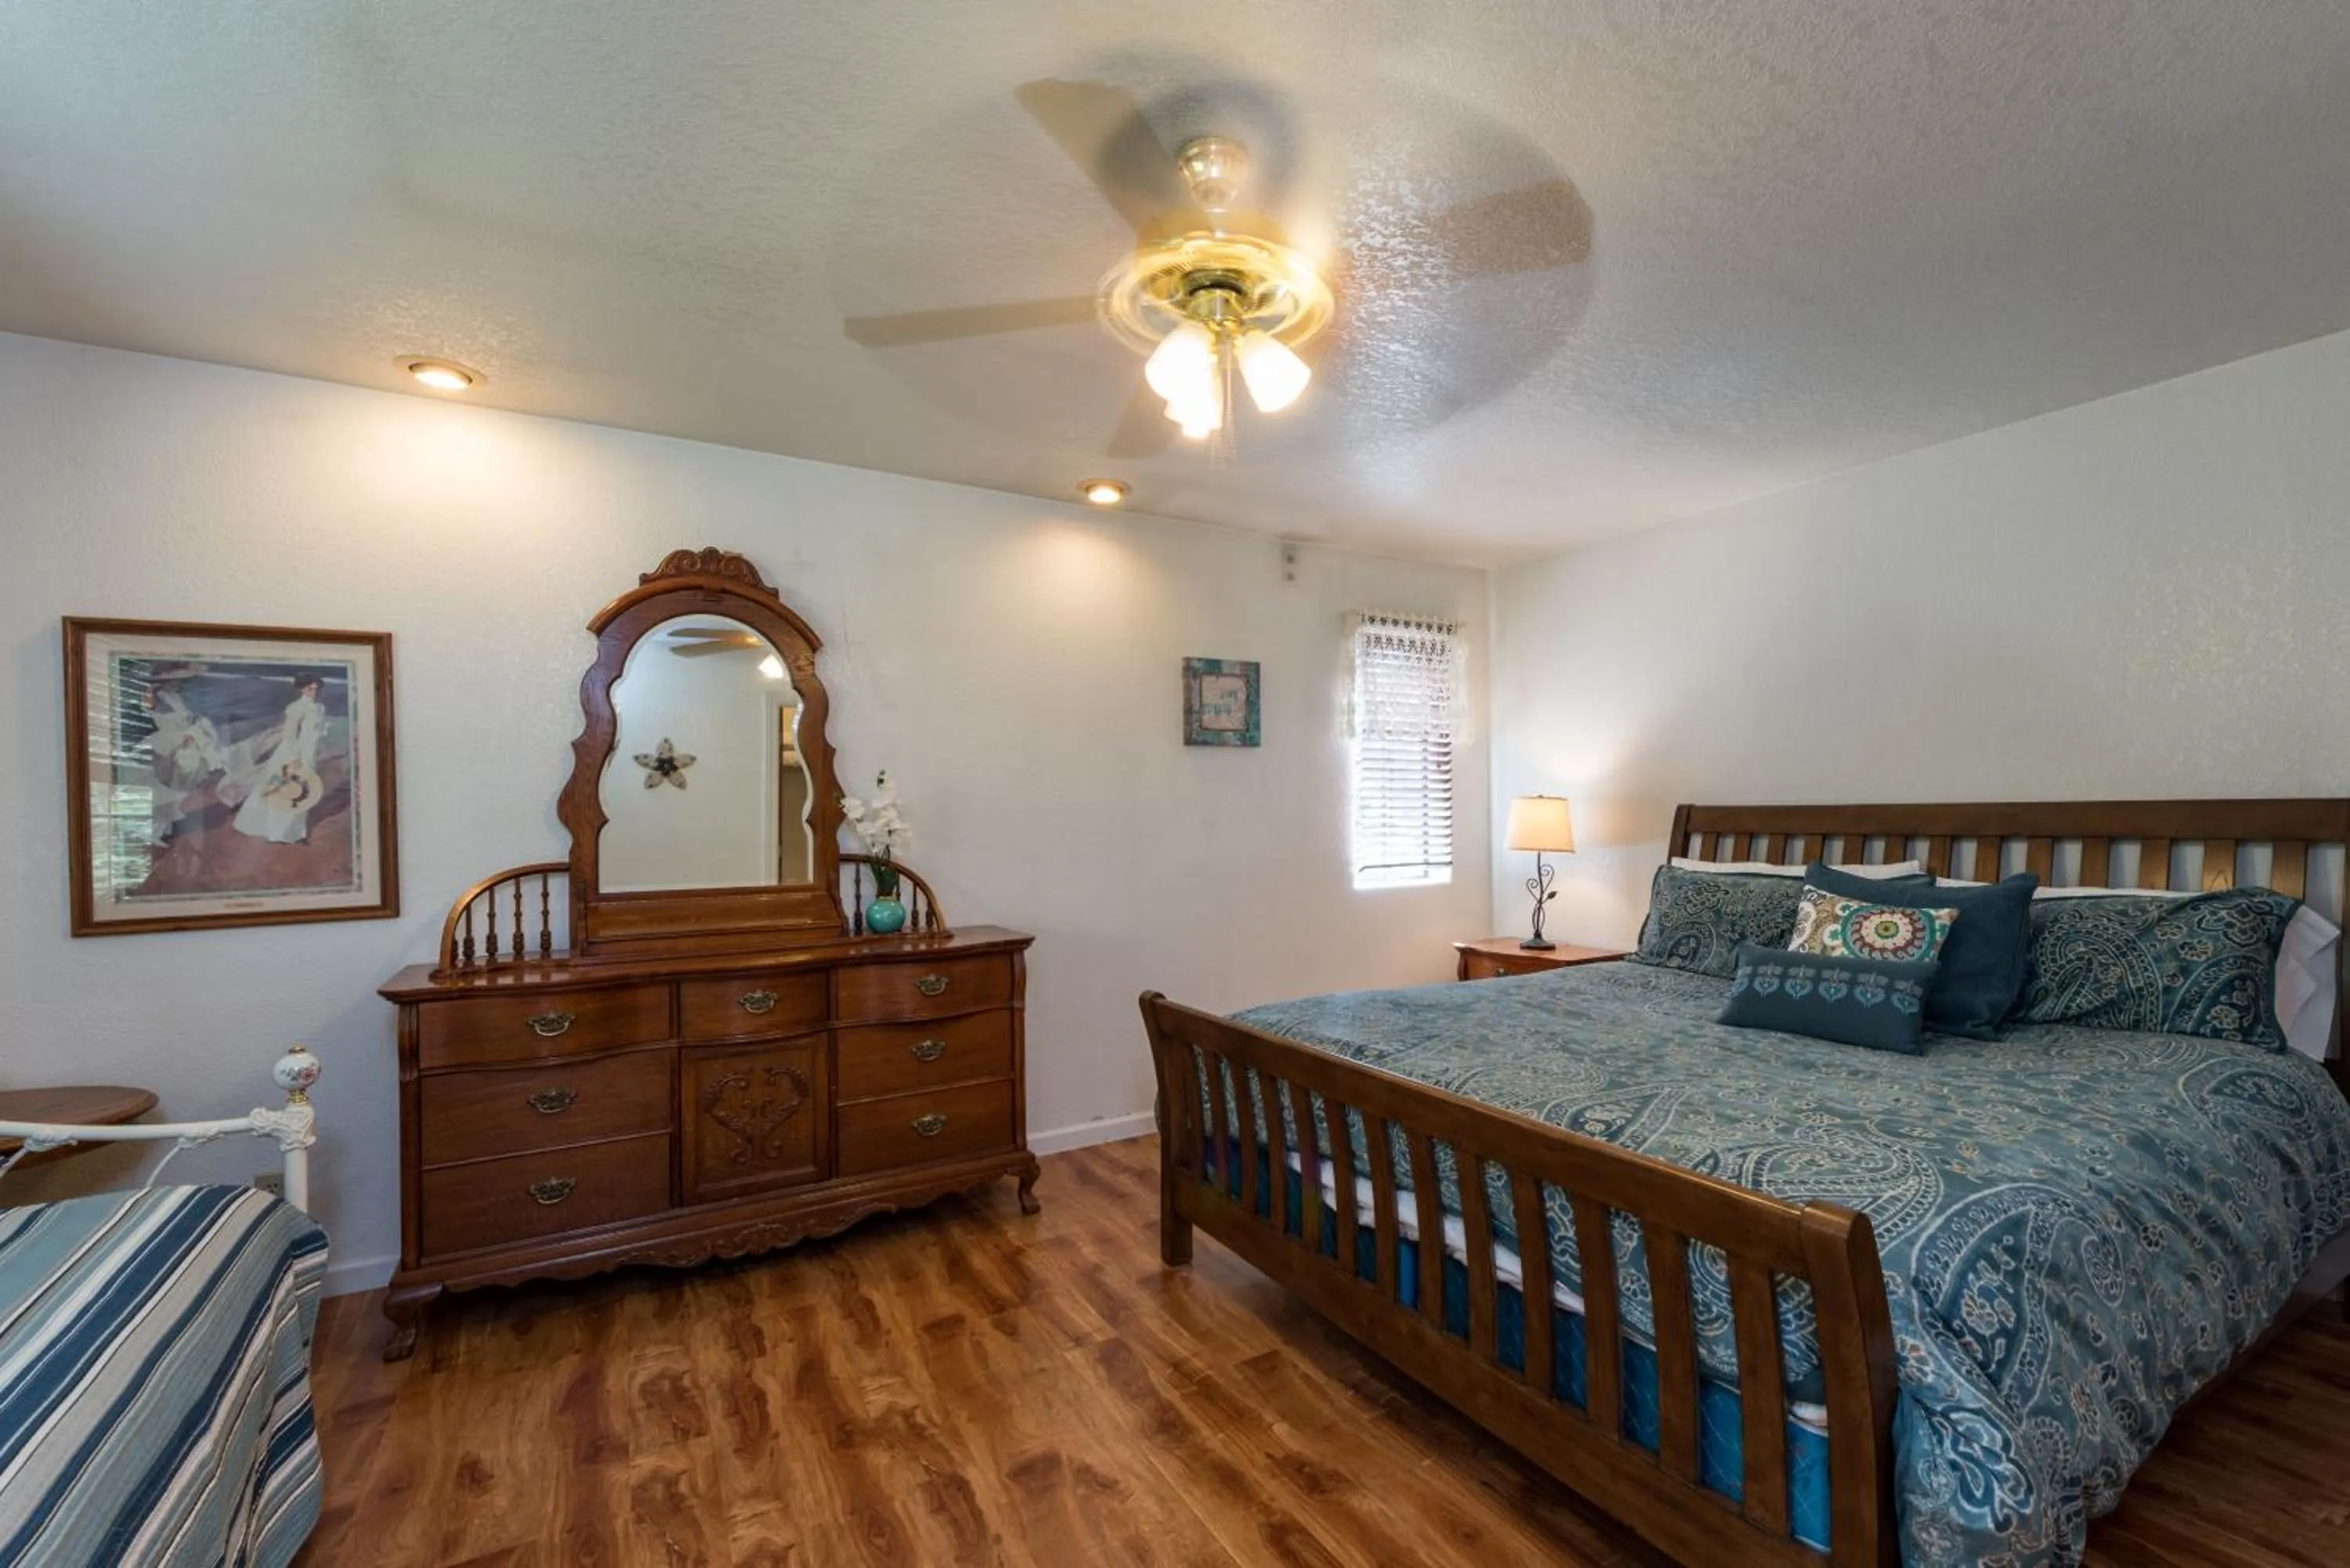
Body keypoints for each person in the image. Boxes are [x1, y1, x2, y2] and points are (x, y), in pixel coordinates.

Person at [230, 674, 327, 844]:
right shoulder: (295, 708)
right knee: (283, 792)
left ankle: (298, 833)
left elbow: (316, 734)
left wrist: (315, 752)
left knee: (305, 791)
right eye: (309, 688)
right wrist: (295, 758)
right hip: (292, 755)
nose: (314, 692)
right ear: (302, 689)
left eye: (316, 688)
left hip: (309, 755)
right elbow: (290, 735)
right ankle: (276, 834)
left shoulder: (320, 708)